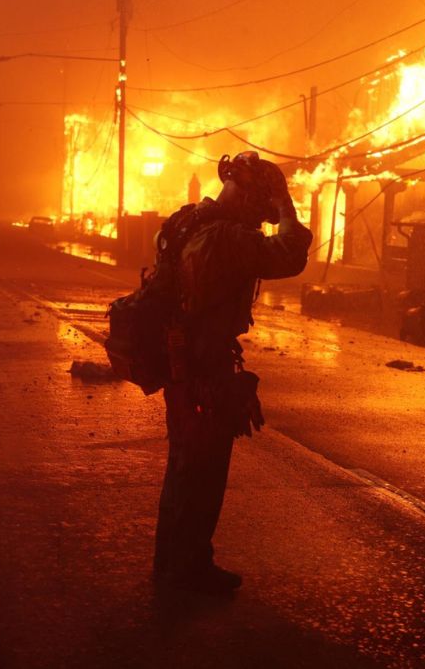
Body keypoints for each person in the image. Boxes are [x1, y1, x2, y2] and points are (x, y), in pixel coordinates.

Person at [153, 151, 312, 595]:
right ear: (248, 198)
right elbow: (289, 252)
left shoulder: (187, 221)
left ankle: (174, 566)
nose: (261, 220)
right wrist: (285, 208)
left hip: (180, 366)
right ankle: (188, 576)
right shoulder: (227, 238)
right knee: (203, 473)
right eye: (260, 209)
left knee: (184, 469)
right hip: (205, 369)